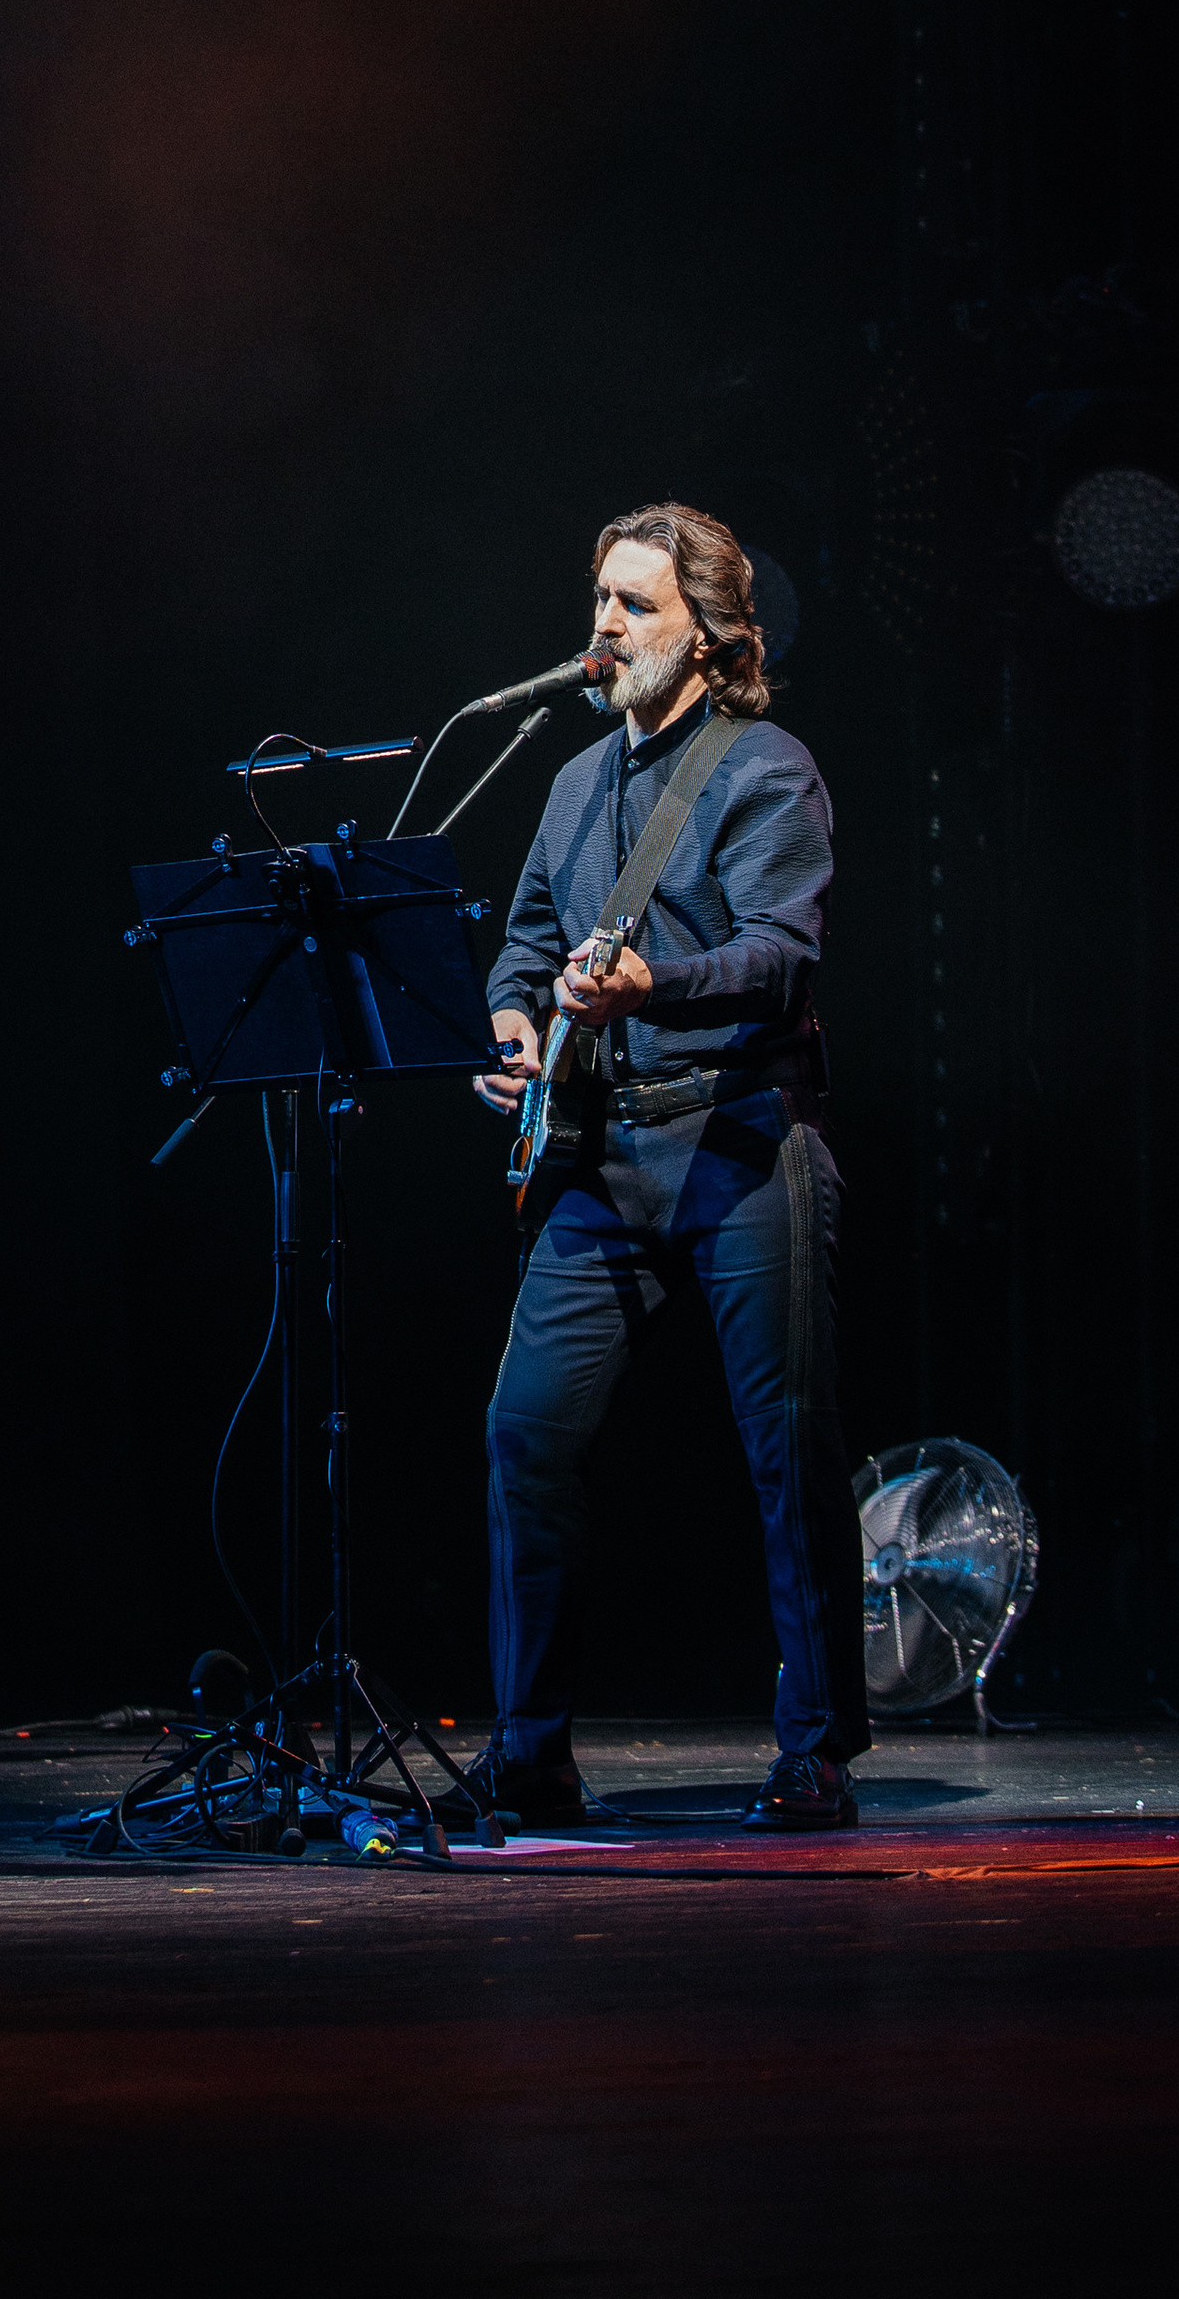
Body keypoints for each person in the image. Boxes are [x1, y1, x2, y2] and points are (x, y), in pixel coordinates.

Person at [470, 505, 869, 1830]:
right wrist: (513, 1028)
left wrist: (656, 985)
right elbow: (526, 942)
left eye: (635, 604)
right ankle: (531, 1751)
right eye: (600, 598)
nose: (606, 624)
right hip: (598, 1153)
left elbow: (781, 954)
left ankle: (817, 1749)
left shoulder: (764, 769)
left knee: (786, 1444)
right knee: (526, 1434)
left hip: (741, 1137)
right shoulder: (575, 781)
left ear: (707, 631)